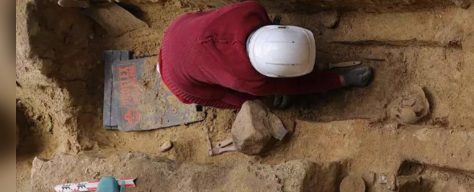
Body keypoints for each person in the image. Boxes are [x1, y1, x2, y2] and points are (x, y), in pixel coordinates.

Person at [158, 1, 373, 110]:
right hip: (183, 84)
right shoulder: (247, 81)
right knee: (244, 102)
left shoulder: (251, 10)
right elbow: (296, 86)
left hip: (177, 31)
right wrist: (343, 79)